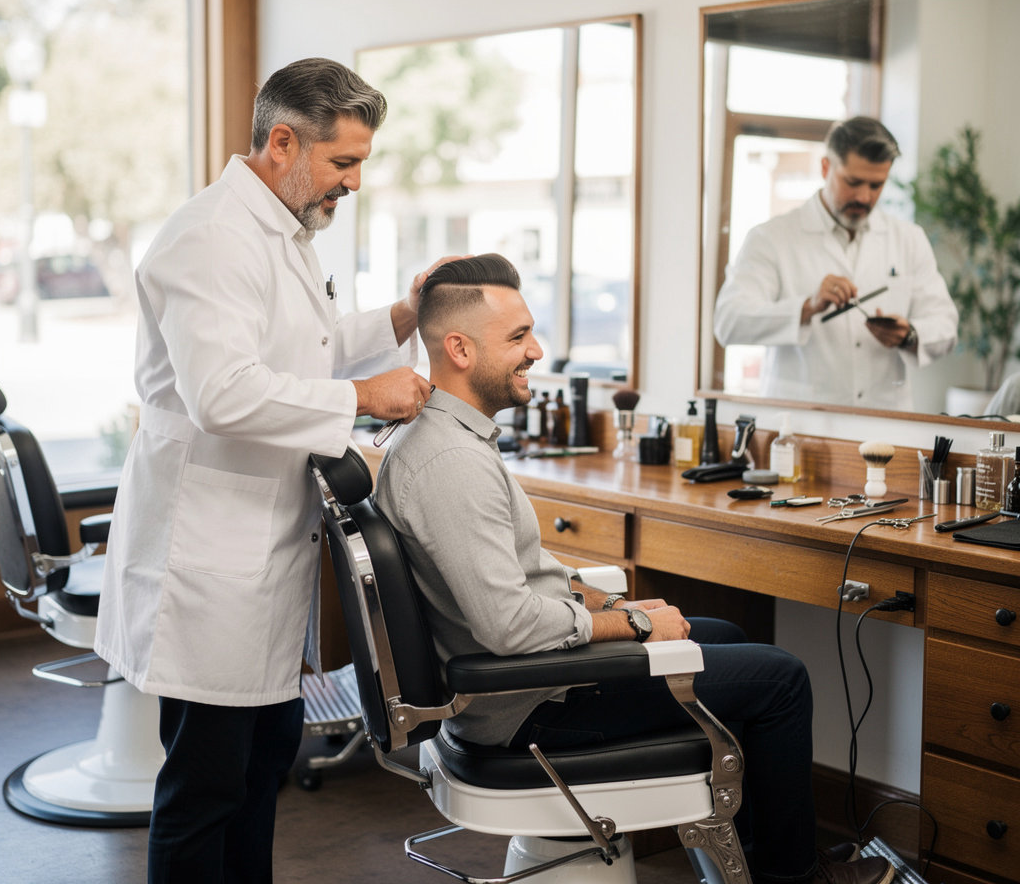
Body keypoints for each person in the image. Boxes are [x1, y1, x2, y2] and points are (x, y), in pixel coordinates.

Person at [373, 253, 893, 884]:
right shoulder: (447, 462)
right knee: (780, 680)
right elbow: (508, 625)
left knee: (721, 637)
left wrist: (612, 607)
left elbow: (528, 578)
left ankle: (765, 862)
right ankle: (795, 878)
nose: (536, 351)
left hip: (523, 682)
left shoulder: (452, 440)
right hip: (527, 706)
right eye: (517, 338)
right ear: (458, 348)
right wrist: (637, 629)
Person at [94, 57, 449, 884]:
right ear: (283, 142)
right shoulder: (212, 238)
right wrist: (364, 395)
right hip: (204, 559)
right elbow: (224, 394)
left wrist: (400, 316)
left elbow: (303, 349)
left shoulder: (280, 229)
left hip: (259, 558)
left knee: (261, 771)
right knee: (207, 786)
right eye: (343, 163)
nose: (355, 182)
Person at [713, 116, 958, 408]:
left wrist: (909, 335)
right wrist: (806, 307)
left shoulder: (909, 239)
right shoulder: (770, 238)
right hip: (800, 421)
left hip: (885, 423)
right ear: (826, 167)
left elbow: (945, 325)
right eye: (853, 182)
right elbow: (729, 322)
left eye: (876, 185)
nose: (864, 196)